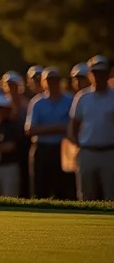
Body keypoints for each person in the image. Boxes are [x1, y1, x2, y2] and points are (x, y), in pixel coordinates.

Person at [69, 55, 114, 201]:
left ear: (107, 74)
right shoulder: (82, 97)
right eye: (95, 73)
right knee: (86, 196)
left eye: (101, 73)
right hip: (87, 152)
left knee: (111, 196)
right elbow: (74, 126)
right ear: (90, 75)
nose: (98, 76)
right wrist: (78, 146)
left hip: (110, 152)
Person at [25, 68, 74, 199]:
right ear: (43, 82)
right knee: (40, 189)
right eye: (49, 80)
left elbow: (74, 126)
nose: (52, 83)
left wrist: (46, 128)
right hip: (42, 148)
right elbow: (30, 130)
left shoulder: (70, 100)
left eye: (55, 80)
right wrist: (57, 127)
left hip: (63, 148)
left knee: (65, 189)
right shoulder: (37, 102)